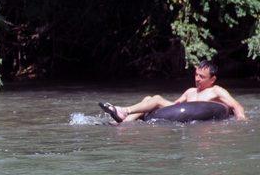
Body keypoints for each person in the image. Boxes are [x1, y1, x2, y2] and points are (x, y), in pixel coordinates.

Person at [99, 60, 246, 123]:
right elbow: (174, 106)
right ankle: (124, 122)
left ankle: (124, 111)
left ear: (212, 79)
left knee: (156, 98)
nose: (197, 79)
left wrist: (241, 120)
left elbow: (236, 106)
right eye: (196, 75)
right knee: (149, 98)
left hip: (202, 117)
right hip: (185, 114)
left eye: (202, 77)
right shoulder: (190, 91)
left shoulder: (216, 90)